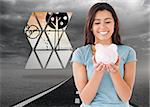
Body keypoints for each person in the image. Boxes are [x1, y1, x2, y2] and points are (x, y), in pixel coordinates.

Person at [71, 2, 137, 107]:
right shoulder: (80, 54)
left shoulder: (128, 52)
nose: (103, 27)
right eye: (97, 23)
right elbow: (86, 99)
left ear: (115, 24)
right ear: (91, 27)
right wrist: (98, 72)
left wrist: (115, 73)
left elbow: (125, 97)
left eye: (107, 22)